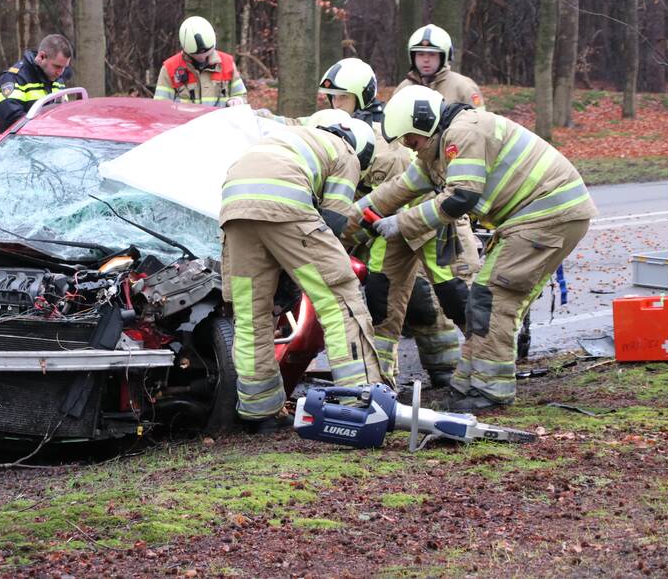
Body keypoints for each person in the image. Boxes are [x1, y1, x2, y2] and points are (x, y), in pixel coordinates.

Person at [363, 86, 597, 411]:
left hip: (547, 215)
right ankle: (468, 385)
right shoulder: (438, 146)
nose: (410, 149)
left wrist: (402, 223)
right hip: (537, 216)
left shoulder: (462, 133)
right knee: (481, 300)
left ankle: (491, 393)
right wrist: (353, 213)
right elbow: (399, 188)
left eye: (412, 141)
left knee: (494, 299)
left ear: (426, 126)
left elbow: (461, 197)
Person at [220, 109, 386, 433]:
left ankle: (259, 412)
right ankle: (361, 401)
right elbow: (334, 221)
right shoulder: (345, 150)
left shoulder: (286, 140)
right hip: (286, 200)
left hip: (234, 204)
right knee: (340, 299)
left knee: (252, 313)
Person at [323, 57, 478, 388]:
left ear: (362, 95)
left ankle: (468, 368)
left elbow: (396, 192)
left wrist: (349, 232)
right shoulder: (337, 134)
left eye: (343, 97)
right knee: (382, 303)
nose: (337, 105)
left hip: (426, 220)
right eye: (332, 98)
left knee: (445, 297)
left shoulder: (383, 141)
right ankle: (384, 381)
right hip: (385, 229)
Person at [154, 16, 248, 107]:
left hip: (221, 123)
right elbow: (160, 107)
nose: (202, 58)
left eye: (207, 53)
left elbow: (241, 95)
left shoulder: (227, 63)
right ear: (185, 49)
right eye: (197, 56)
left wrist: (237, 100)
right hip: (186, 123)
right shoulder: (170, 68)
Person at [0, 34, 73, 133]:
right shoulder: (13, 79)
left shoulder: (57, 79)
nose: (60, 72)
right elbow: (13, 122)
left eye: (64, 67)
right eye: (57, 66)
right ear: (41, 57)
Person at [396, 24, 485, 110]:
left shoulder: (464, 87)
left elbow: (480, 121)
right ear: (412, 57)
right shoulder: (403, 88)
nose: (426, 59)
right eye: (420, 54)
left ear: (444, 57)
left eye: (432, 54)